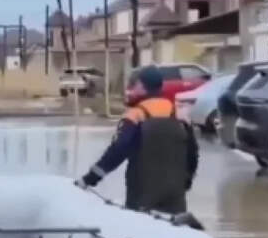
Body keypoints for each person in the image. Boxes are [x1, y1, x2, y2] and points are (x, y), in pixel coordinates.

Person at [77, 65, 198, 214]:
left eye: (133, 85)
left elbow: (117, 152)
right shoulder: (178, 114)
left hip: (142, 194)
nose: (130, 90)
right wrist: (186, 181)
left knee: (141, 224)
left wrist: (89, 179)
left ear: (142, 86)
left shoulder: (135, 115)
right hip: (175, 195)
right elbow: (192, 153)